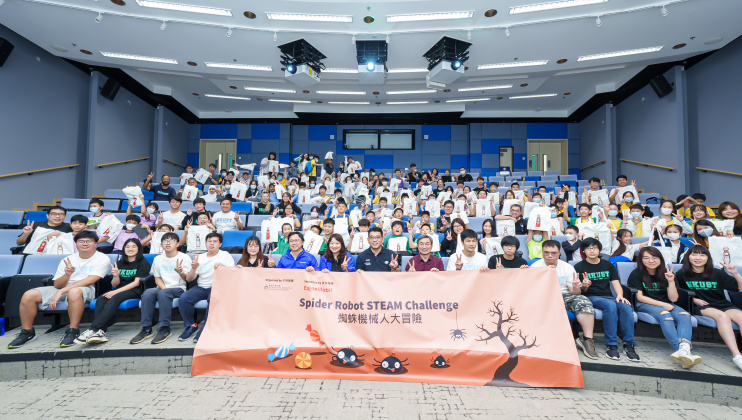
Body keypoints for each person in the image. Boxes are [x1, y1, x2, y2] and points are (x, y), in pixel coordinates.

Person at [8, 231, 110, 349]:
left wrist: (62, 291)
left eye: (89, 241)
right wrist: (67, 275)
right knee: (29, 295)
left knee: (74, 292)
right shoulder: (68, 259)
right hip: (64, 287)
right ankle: (27, 332)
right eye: (81, 241)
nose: (85, 243)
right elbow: (57, 284)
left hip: (86, 288)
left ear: (95, 243)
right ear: (75, 243)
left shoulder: (102, 258)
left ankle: (73, 330)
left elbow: (91, 280)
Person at [629, 247, 701, 368]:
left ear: (660, 259)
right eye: (646, 258)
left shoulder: (667, 272)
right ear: (641, 260)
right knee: (665, 315)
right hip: (646, 304)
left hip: (668, 303)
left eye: (654, 257)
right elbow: (640, 298)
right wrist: (663, 305)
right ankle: (680, 351)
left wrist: (671, 281)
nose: (651, 261)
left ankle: (684, 352)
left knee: (685, 315)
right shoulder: (637, 274)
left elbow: (673, 299)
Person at [675, 245, 742, 371]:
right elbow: (679, 294)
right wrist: (694, 299)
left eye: (702, 255)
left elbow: (740, 287)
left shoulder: (717, 272)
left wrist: (735, 273)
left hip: (722, 304)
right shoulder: (681, 274)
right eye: (694, 254)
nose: (698, 258)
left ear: (708, 257)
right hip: (701, 306)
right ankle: (737, 356)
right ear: (688, 256)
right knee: (722, 316)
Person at [530, 240, 599, 359]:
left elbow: (574, 292)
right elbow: (531, 289)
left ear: (559, 253)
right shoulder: (535, 267)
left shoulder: (567, 267)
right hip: (542, 294)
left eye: (553, 253)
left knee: (584, 302)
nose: (550, 255)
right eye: (546, 253)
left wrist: (577, 288)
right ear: (542, 253)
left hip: (564, 294)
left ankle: (587, 340)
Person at [574, 238, 640, 361]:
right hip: (591, 297)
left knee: (626, 306)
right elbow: (579, 291)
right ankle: (612, 345)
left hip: (609, 297)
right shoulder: (579, 266)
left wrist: (620, 296)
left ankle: (628, 344)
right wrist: (585, 286)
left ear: (599, 250)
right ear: (584, 251)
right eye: (588, 248)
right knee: (610, 306)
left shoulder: (608, 264)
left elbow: (616, 283)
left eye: (594, 248)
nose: (592, 250)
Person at [76, 238, 150, 345]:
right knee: (101, 298)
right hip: (119, 289)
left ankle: (94, 329)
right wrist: (115, 276)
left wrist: (115, 292)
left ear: (139, 249)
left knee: (114, 298)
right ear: (123, 248)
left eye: (134, 247)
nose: (130, 249)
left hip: (134, 290)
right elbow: (114, 284)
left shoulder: (143, 262)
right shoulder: (120, 263)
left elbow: (136, 283)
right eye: (127, 246)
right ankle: (101, 331)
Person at [130, 232, 192, 345]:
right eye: (165, 241)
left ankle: (164, 328)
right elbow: (157, 278)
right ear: (161, 244)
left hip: (179, 288)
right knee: (148, 293)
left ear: (177, 244)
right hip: (163, 288)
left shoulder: (184, 257)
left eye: (171, 241)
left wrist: (180, 272)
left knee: (164, 294)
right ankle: (146, 328)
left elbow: (188, 278)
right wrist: (163, 288)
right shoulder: (158, 259)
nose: (168, 243)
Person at [179, 232, 235, 342]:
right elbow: (189, 279)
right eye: (209, 241)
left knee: (212, 299)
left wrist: (223, 266)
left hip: (217, 287)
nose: (212, 243)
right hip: (201, 287)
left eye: (215, 241)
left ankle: (205, 328)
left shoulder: (225, 255)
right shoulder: (200, 257)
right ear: (205, 243)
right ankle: (191, 326)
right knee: (184, 298)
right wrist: (194, 268)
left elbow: (233, 273)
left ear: (220, 244)